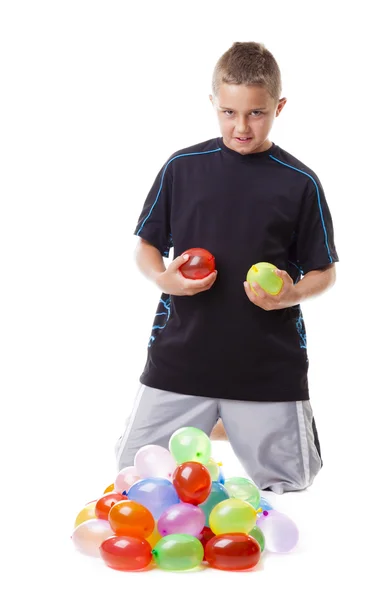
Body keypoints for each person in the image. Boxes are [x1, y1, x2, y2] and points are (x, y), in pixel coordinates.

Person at [115, 41, 338, 494]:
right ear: (213, 103)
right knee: (132, 477)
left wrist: (291, 294)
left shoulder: (300, 182)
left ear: (279, 106)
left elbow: (324, 271)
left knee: (292, 485)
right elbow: (146, 245)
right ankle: (222, 418)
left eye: (256, 113)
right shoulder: (182, 167)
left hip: (266, 363)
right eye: (229, 112)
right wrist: (164, 278)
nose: (241, 126)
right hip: (182, 356)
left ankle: (234, 418)